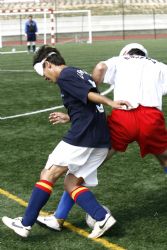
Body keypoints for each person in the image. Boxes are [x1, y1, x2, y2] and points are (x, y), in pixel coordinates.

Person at [2, 45, 130, 239]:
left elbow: (89, 96)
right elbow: (86, 105)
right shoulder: (78, 72)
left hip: (83, 136)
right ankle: (101, 217)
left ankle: (24, 223)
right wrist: (69, 117)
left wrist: (110, 102)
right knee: (71, 183)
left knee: (48, 173)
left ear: (48, 64)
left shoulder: (65, 76)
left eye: (43, 73)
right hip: (101, 138)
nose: (45, 78)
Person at [36, 43, 167, 232]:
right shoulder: (158, 65)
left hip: (123, 116)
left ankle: (59, 217)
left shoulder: (120, 60)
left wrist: (88, 93)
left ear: (126, 53)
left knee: (83, 168)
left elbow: (100, 67)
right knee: (164, 159)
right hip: (151, 118)